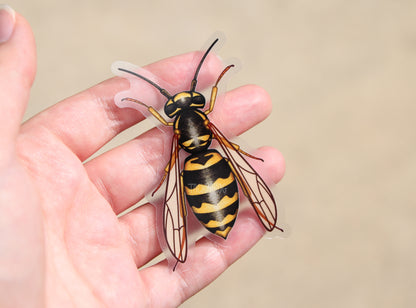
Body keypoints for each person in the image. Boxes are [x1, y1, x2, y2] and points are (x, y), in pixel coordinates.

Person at [0, 6, 285, 307]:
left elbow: (167, 147)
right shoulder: (212, 130)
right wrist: (213, 89)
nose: (181, 105)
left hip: (197, 177)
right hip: (212, 171)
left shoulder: (174, 133)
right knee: (236, 161)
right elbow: (231, 148)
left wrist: (143, 105)